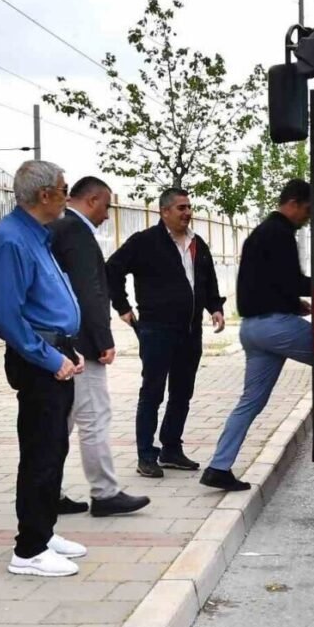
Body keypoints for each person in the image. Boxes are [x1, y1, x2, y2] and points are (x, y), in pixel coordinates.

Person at [0, 160, 88, 576]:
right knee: (40, 454)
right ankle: (28, 550)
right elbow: (6, 318)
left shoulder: (35, 236)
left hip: (56, 354)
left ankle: (42, 532)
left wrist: (70, 349)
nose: (67, 195)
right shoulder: (10, 240)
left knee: (53, 449)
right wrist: (51, 358)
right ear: (45, 194)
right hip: (38, 361)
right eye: (64, 189)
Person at [201, 179, 314, 491]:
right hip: (275, 327)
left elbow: (269, 281)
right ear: (292, 203)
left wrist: (294, 302)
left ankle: (218, 467)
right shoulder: (281, 234)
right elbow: (291, 281)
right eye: (307, 209)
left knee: (250, 401)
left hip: (252, 329)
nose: (308, 216)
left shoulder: (260, 234)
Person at [48, 177, 151, 517]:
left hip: (57, 342)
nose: (108, 215)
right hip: (80, 345)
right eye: (106, 206)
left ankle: (48, 491)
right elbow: (88, 291)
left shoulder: (56, 227)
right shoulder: (76, 233)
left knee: (60, 421)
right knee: (94, 417)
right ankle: (105, 494)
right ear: (92, 200)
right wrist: (103, 340)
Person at [106, 187, 226, 478]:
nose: (187, 213)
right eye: (181, 208)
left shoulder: (197, 243)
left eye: (189, 207)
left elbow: (206, 279)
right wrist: (122, 306)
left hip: (190, 331)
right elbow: (111, 269)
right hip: (157, 330)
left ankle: (171, 448)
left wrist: (215, 308)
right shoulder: (145, 242)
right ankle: (146, 455)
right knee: (152, 393)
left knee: (182, 392)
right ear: (165, 212)